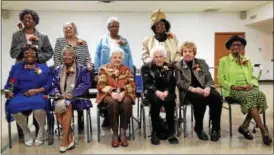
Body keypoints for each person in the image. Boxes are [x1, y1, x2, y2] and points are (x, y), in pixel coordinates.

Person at [218, 35, 272, 145]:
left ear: (242, 47)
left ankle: (244, 126)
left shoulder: (247, 60)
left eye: (239, 45)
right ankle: (263, 130)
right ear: (230, 47)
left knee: (260, 94)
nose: (236, 47)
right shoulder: (224, 61)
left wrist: (251, 84)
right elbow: (220, 78)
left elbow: (253, 76)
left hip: (248, 89)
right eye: (234, 45)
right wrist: (232, 86)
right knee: (251, 97)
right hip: (232, 90)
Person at [9, 9, 53, 138]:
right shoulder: (16, 35)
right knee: (20, 96)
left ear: (35, 21)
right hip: (21, 72)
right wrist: (25, 45)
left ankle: (39, 130)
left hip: (38, 71)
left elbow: (49, 53)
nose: (27, 20)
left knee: (38, 98)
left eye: (30, 18)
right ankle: (23, 132)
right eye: (25, 18)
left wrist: (35, 58)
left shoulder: (43, 36)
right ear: (22, 20)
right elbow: (13, 53)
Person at [4, 44, 52, 146]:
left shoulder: (43, 68)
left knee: (39, 107)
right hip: (20, 95)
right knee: (14, 107)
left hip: (38, 93)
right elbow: (9, 84)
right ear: (23, 55)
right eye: (26, 53)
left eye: (32, 53)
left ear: (36, 55)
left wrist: (37, 90)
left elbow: (49, 84)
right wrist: (8, 91)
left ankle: (41, 131)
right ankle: (26, 132)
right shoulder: (16, 68)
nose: (29, 55)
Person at [175, 41, 223, 141]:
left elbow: (209, 78)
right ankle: (199, 128)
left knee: (217, 98)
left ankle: (215, 129)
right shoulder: (178, 65)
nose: (187, 53)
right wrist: (193, 89)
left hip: (204, 88)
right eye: (185, 51)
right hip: (188, 91)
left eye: (190, 51)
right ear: (182, 53)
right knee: (200, 99)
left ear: (194, 53)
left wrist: (208, 88)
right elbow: (179, 83)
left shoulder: (201, 63)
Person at [95, 17, 134, 129]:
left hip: (122, 73)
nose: (114, 28)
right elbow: (97, 55)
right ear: (108, 27)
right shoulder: (103, 39)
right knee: (110, 98)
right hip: (106, 73)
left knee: (123, 97)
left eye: (116, 25)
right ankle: (109, 118)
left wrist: (130, 71)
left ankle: (121, 126)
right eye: (112, 25)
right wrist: (96, 71)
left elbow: (129, 56)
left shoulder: (124, 40)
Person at [53, 21, 93, 132]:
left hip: (79, 73)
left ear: (74, 29)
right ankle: (66, 124)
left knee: (81, 86)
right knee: (62, 90)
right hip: (64, 73)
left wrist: (89, 64)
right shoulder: (60, 41)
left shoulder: (82, 42)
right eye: (65, 28)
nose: (68, 29)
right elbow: (56, 57)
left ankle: (80, 115)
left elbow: (87, 58)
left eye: (70, 27)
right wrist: (61, 72)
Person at [51, 46, 92, 152]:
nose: (67, 57)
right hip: (61, 97)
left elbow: (86, 84)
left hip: (78, 98)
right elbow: (54, 85)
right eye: (64, 54)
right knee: (58, 106)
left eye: (69, 54)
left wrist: (72, 93)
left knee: (67, 105)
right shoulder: (57, 69)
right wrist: (56, 93)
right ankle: (69, 136)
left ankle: (64, 140)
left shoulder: (83, 69)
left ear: (74, 56)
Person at [96, 47, 136, 147]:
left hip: (123, 94)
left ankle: (123, 132)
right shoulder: (103, 69)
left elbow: (132, 85)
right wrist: (112, 92)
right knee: (112, 102)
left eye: (119, 57)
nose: (117, 59)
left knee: (126, 102)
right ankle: (114, 132)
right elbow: (101, 85)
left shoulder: (127, 70)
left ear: (122, 59)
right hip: (108, 95)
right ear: (111, 58)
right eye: (115, 57)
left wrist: (123, 92)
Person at [141, 46, 179, 145]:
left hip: (166, 92)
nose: (159, 59)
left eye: (161, 56)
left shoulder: (169, 67)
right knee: (156, 102)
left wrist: (166, 91)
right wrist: (157, 91)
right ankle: (155, 132)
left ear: (164, 57)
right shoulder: (146, 67)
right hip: (152, 92)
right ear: (153, 58)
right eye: (156, 57)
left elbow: (172, 82)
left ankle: (171, 132)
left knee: (170, 102)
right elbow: (147, 83)